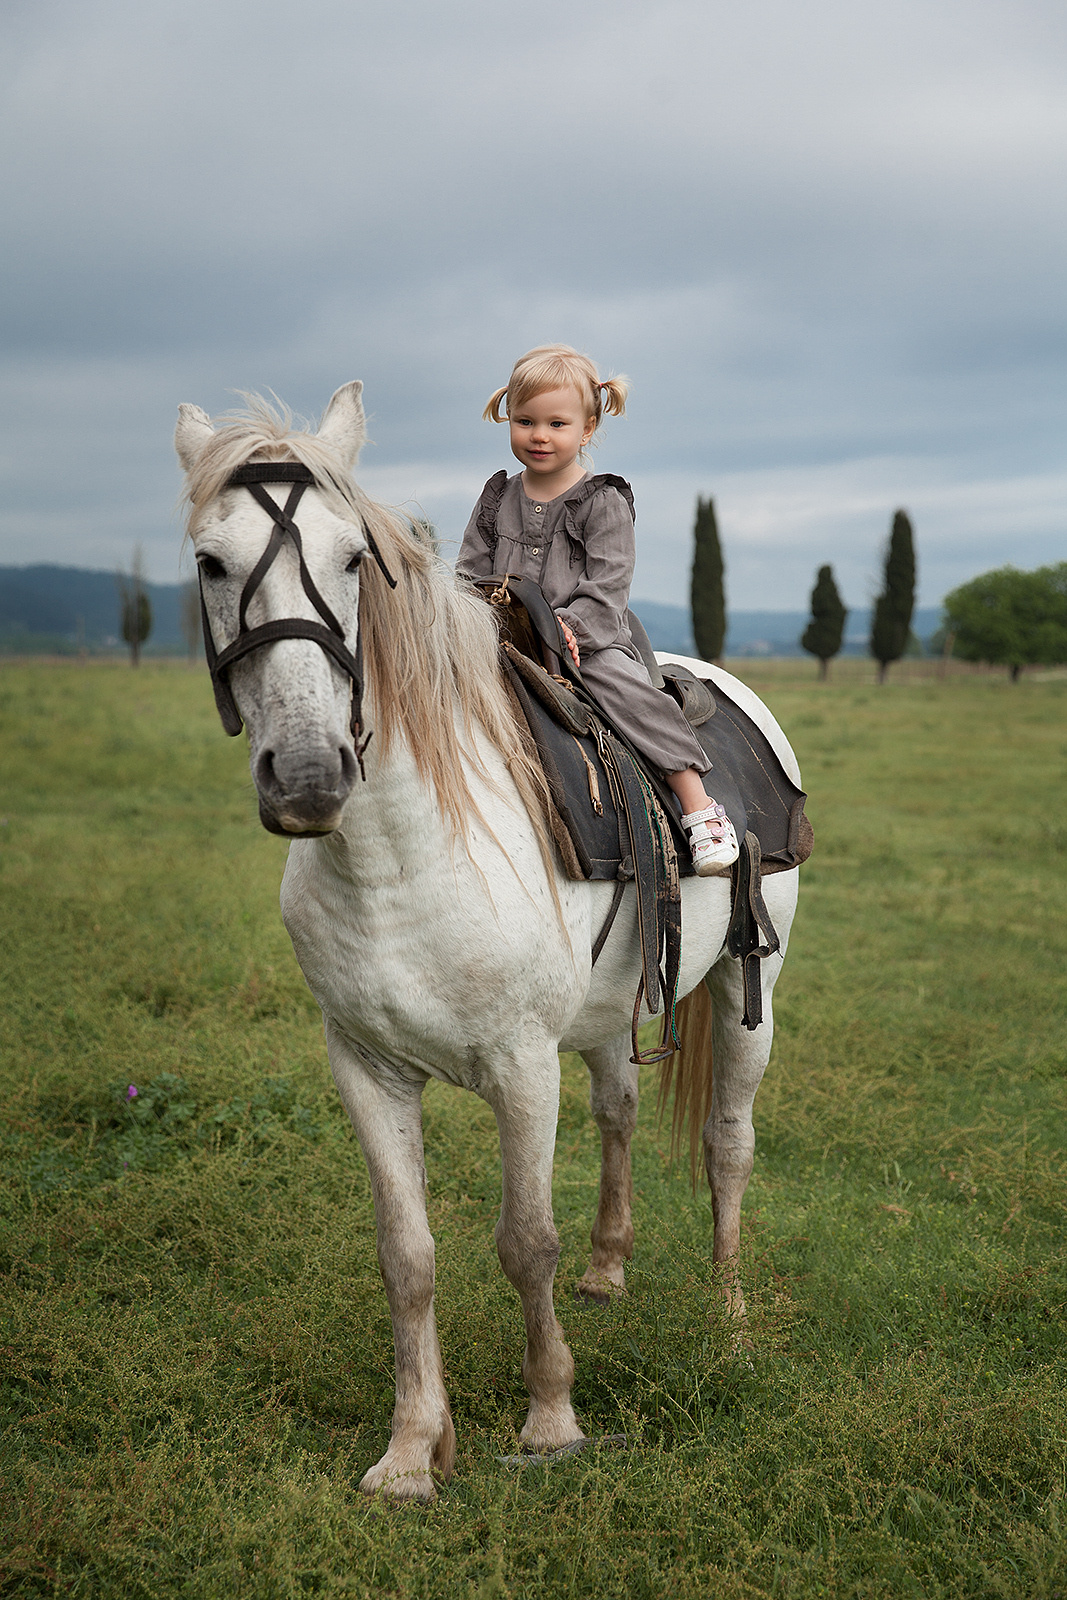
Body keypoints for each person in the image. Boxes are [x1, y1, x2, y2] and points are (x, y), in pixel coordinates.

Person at [456, 344, 739, 876]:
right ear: (508, 419)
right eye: (526, 421)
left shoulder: (600, 500)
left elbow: (609, 583)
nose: (540, 435)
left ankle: (697, 803)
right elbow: (470, 572)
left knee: (622, 688)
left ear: (586, 429)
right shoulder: (496, 497)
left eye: (557, 424)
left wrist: (568, 626)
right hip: (503, 634)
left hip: (587, 637)